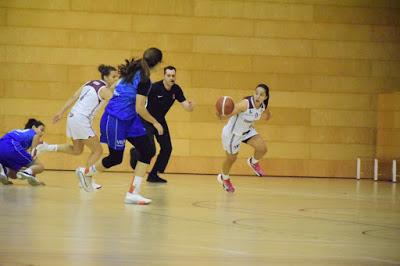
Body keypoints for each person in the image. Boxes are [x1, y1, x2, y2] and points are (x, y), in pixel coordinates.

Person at [78, 47, 163, 205]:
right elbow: (140, 108)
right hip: (116, 119)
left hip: (129, 119)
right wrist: (155, 122)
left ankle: (133, 193)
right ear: (157, 63)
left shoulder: (136, 68)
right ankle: (86, 172)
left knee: (148, 150)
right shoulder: (144, 78)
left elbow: (115, 86)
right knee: (115, 158)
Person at [36, 65, 119, 190]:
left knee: (77, 150)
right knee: (98, 151)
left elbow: (73, 97)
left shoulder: (89, 83)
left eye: (117, 76)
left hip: (72, 116)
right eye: (113, 77)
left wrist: (61, 112)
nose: (116, 79)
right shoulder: (104, 90)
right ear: (105, 77)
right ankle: (86, 178)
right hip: (81, 120)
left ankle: (46, 147)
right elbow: (116, 101)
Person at [130, 65, 194, 183]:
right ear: (164, 76)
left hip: (160, 120)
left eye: (173, 76)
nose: (171, 78)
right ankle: (135, 151)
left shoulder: (176, 89)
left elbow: (186, 106)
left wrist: (190, 107)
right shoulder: (154, 88)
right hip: (147, 119)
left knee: (167, 148)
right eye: (168, 75)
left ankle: (153, 174)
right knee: (150, 149)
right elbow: (140, 101)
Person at [217, 84, 271, 193]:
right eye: (256, 93)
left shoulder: (262, 105)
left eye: (261, 95)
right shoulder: (245, 104)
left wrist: (268, 116)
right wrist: (222, 114)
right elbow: (231, 111)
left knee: (262, 148)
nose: (257, 96)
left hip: (247, 131)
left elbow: (266, 113)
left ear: (265, 97)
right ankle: (224, 178)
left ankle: (253, 162)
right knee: (231, 159)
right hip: (233, 134)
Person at [0, 118, 46, 186]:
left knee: (15, 175)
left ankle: (4, 170)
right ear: (33, 127)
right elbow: (33, 154)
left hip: (2, 145)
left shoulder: (21, 133)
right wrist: (34, 152)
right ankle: (27, 172)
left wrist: (32, 178)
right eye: (41, 130)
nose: (42, 133)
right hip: (11, 144)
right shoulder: (34, 133)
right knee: (40, 166)